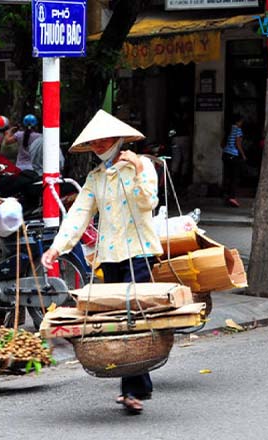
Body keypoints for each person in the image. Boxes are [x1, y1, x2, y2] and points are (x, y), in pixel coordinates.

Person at [41, 109, 163, 414]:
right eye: (93, 141)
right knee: (118, 320)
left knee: (133, 316)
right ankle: (136, 387)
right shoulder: (95, 178)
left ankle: (133, 388)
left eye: (103, 139)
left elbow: (148, 202)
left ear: (118, 138)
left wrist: (134, 166)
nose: (98, 145)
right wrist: (57, 248)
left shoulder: (144, 165)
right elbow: (78, 216)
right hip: (109, 256)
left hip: (139, 252)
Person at [222, 114, 247, 207]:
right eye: (241, 122)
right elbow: (238, 144)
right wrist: (243, 155)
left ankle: (226, 195)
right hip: (233, 155)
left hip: (225, 154)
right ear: (238, 122)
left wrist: (227, 149)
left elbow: (222, 143)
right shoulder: (238, 130)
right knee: (234, 177)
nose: (242, 123)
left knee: (227, 176)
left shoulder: (228, 129)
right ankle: (232, 197)